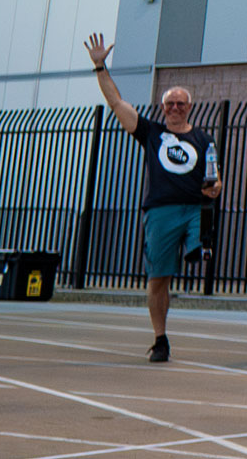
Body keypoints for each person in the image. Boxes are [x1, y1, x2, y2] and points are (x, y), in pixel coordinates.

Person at [83, 33, 221, 363]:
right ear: (162, 108)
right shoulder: (152, 133)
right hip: (161, 211)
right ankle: (160, 338)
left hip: (194, 208)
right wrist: (100, 66)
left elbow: (216, 179)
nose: (175, 108)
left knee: (202, 230)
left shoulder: (203, 139)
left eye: (181, 104)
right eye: (170, 104)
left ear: (190, 108)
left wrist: (216, 188)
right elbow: (117, 104)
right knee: (159, 277)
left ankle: (197, 246)